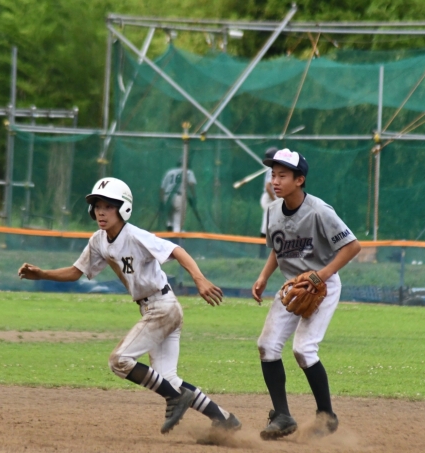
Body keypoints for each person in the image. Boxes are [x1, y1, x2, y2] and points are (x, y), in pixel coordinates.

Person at [18, 177, 241, 435]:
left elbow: (176, 250)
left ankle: (176, 398)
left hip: (162, 307)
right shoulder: (99, 240)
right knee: (168, 379)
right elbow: (76, 271)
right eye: (97, 206)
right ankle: (224, 419)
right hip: (157, 309)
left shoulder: (135, 236)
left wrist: (199, 280)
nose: (101, 212)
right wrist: (42, 274)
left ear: (123, 208)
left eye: (108, 206)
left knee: (119, 360)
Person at [251, 149, 361, 441]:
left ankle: (327, 416)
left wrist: (320, 275)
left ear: (299, 180)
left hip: (323, 286)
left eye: (282, 176)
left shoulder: (319, 211)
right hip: (292, 287)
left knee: (303, 350)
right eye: (273, 175)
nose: (275, 181)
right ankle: (282, 416)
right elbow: (278, 248)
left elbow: (352, 247)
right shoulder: (273, 210)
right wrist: (263, 277)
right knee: (267, 346)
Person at [160, 160, 196, 232]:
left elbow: (162, 188)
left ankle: (169, 226)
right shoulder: (188, 172)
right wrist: (193, 196)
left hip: (167, 196)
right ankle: (176, 234)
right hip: (179, 197)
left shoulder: (169, 172)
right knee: (178, 221)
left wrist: (162, 201)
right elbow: (191, 184)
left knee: (170, 218)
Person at [259, 147, 278, 258]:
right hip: (269, 198)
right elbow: (268, 187)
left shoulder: (274, 168)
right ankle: (261, 254)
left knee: (276, 224)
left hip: (273, 197)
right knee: (266, 225)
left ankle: (272, 252)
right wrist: (275, 200)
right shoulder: (271, 169)